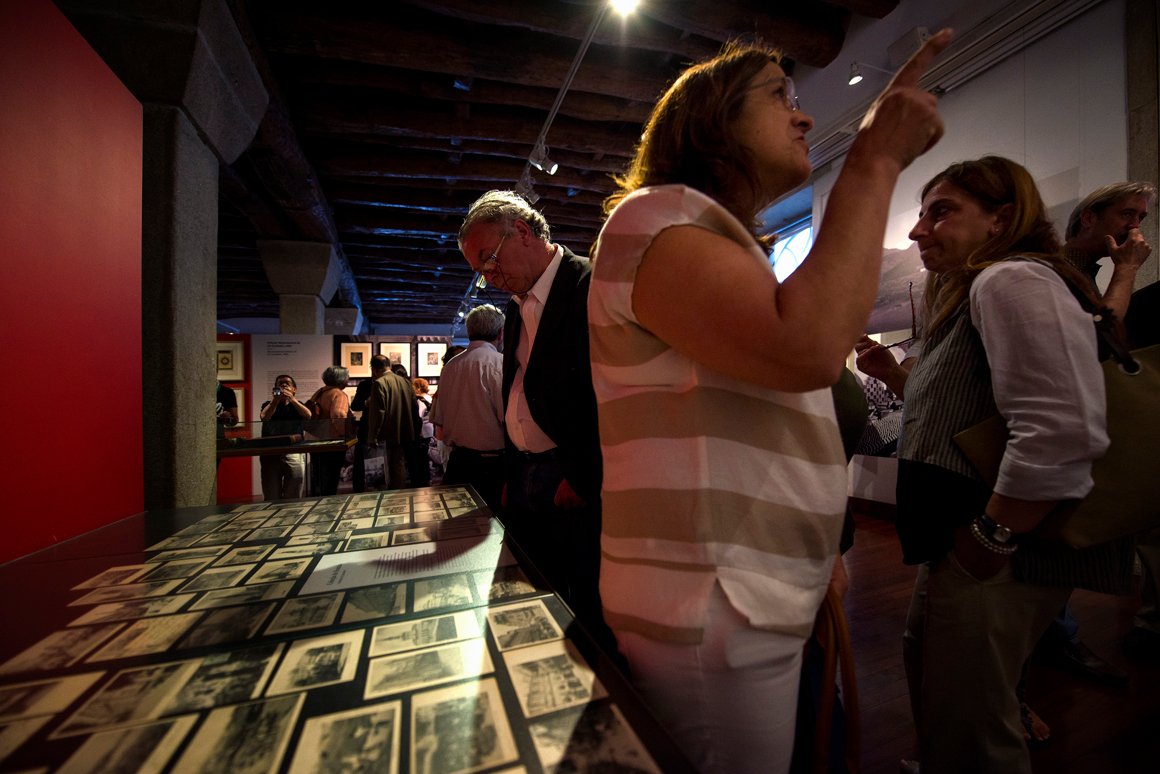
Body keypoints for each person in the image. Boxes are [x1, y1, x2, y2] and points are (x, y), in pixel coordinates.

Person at [586, 30, 952, 773]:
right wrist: (874, 158)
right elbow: (805, 346)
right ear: (712, 122)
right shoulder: (654, 218)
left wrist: (815, 556)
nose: (805, 114)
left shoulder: (701, 235)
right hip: (709, 599)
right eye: (779, 95)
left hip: (738, 588)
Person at [892, 157, 1109, 774]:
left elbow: (1061, 428)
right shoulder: (973, 290)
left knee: (974, 725)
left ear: (1000, 219)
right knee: (943, 689)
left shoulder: (1009, 279)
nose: (919, 230)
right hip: (961, 540)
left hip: (994, 548)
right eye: (921, 214)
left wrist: (990, 539)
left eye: (941, 212)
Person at [458, 189, 612, 659]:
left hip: (570, 475)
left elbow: (608, 390)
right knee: (532, 595)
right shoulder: (516, 303)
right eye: (481, 271)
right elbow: (517, 391)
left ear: (522, 231)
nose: (489, 276)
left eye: (490, 260)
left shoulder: (588, 284)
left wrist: (583, 474)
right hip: (526, 473)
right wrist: (512, 470)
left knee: (582, 604)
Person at [429, 304, 506, 508]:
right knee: (492, 523)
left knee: (459, 522)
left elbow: (439, 419)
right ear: (501, 333)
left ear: (469, 331)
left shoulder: (450, 366)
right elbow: (507, 418)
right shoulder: (500, 364)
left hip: (459, 462)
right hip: (492, 466)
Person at [365, 361, 417, 490]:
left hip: (384, 435)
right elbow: (414, 408)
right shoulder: (405, 382)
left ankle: (383, 498)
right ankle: (399, 497)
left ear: (374, 369)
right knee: (398, 469)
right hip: (402, 434)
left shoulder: (379, 383)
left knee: (381, 473)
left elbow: (378, 413)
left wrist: (372, 437)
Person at [258, 374, 310, 500]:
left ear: (294, 389)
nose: (284, 385)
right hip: (271, 452)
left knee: (294, 492)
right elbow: (264, 417)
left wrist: (292, 399)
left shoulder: (297, 404)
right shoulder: (268, 404)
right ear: (275, 388)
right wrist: (275, 401)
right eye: (280, 384)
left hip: (294, 451)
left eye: (287, 383)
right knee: (271, 493)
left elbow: (308, 415)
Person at [307, 365, 352, 496]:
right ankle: (328, 503)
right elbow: (338, 415)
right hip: (332, 442)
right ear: (341, 379)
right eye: (347, 377)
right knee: (330, 479)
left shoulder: (319, 392)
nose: (348, 379)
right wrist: (345, 435)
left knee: (318, 478)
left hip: (315, 441)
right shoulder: (339, 394)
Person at [350, 355, 391, 492]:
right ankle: (359, 492)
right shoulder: (365, 385)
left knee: (383, 467)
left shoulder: (390, 383)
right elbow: (355, 405)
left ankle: (381, 491)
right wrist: (366, 402)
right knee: (361, 464)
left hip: (385, 430)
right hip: (367, 429)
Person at [413, 377, 437, 482]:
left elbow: (419, 416)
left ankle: (424, 479)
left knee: (422, 457)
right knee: (426, 456)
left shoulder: (420, 400)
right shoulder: (429, 398)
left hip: (422, 431)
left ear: (418, 388)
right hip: (430, 429)